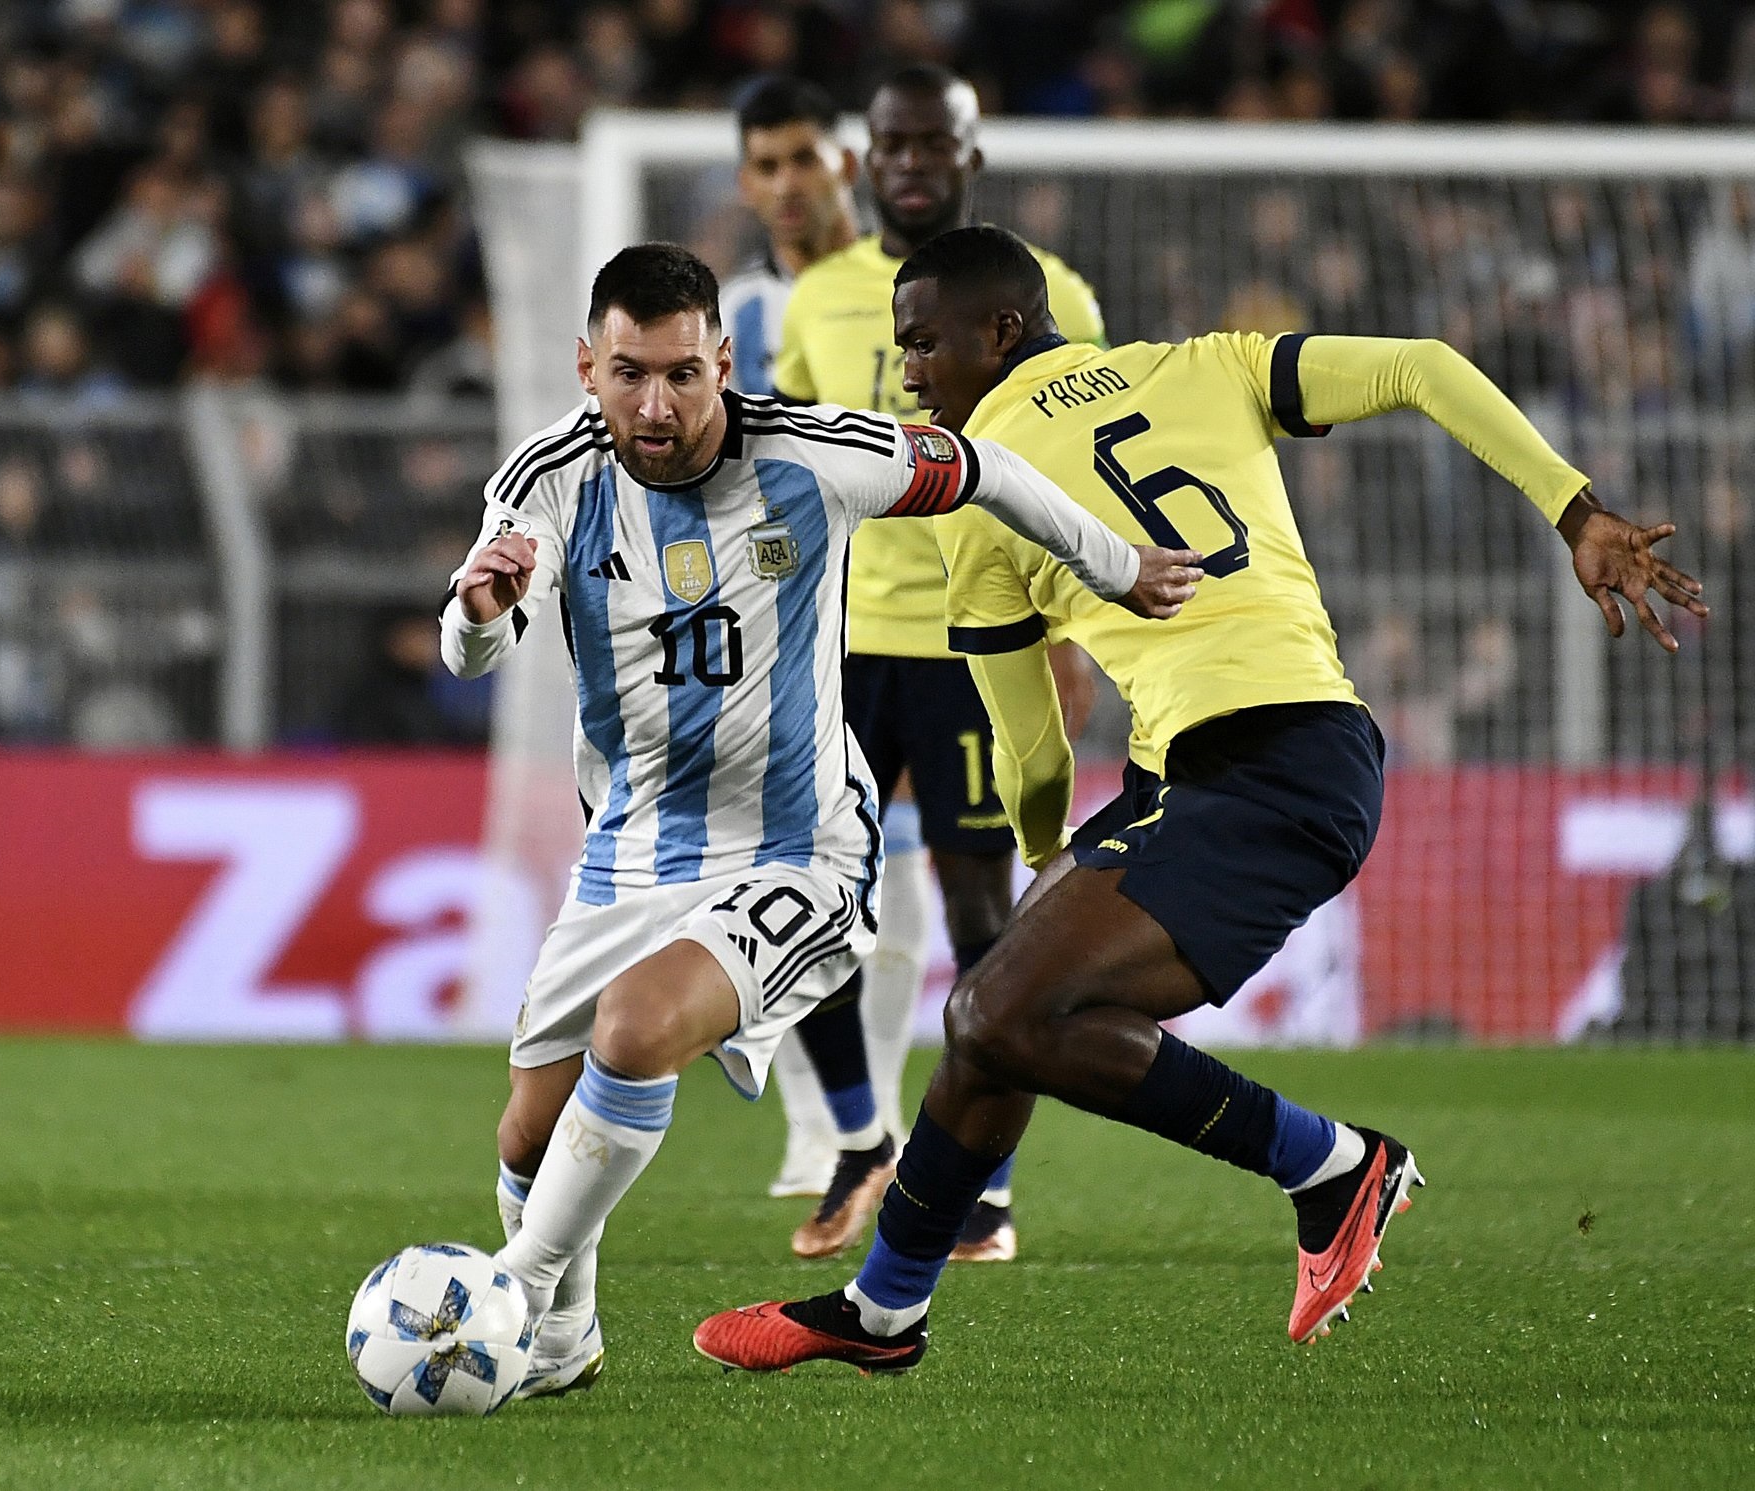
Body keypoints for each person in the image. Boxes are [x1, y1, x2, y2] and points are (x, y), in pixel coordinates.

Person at [693, 225, 1708, 1370]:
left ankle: (1329, 1165)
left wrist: (1041, 846)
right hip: (1266, 756)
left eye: (923, 343)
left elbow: (1025, 739)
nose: (909, 371)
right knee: (990, 1026)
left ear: (1005, 330)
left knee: (995, 1012)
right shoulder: (1205, 364)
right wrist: (1573, 510)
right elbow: (1422, 365)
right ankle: (882, 1311)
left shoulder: (982, 494)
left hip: (1264, 775)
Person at [444, 241, 1199, 1399]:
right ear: (586, 366)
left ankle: (511, 1291)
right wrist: (479, 614)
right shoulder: (545, 476)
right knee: (525, 1141)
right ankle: (560, 1341)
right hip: (630, 845)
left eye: (683, 375)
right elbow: (479, 632)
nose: (657, 405)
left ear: (724, 361)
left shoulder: (814, 453)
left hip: (798, 843)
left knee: (638, 1029)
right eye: (630, 374)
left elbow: (984, 468)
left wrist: (1112, 567)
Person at [764, 62, 1106, 1263]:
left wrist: (1064, 639)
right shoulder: (815, 299)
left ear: (971, 153)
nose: (910, 162)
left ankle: (985, 1190)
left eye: (932, 144)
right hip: (838, 646)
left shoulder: (1047, 290)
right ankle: (860, 1143)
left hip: (976, 642)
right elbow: (789, 467)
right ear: (866, 159)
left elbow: (1073, 477)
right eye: (891, 144)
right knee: (793, 899)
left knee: (982, 917)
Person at [719, 75, 935, 1212]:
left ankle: (874, 1120)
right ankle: (825, 1130)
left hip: (917, 624)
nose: (786, 184)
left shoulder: (920, 291)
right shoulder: (732, 322)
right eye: (764, 165)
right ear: (745, 180)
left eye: (803, 157)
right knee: (793, 878)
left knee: (896, 870)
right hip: (784, 633)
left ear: (843, 164)